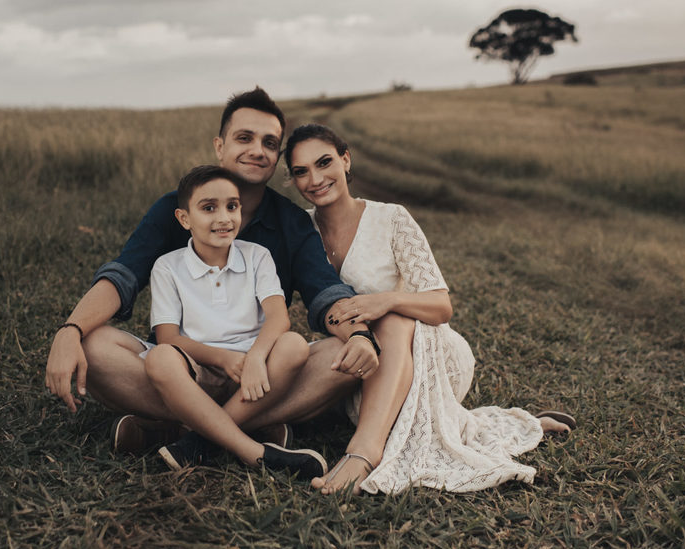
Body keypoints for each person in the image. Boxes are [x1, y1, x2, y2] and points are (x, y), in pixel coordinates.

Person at [44, 88, 388, 452]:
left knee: (342, 356)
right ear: (220, 146)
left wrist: (359, 336)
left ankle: (182, 432)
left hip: (260, 370)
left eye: (270, 143)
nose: (258, 150)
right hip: (184, 367)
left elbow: (326, 294)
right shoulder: (174, 209)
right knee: (94, 346)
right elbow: (122, 277)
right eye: (244, 138)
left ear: (276, 158)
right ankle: (253, 426)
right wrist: (70, 330)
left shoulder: (290, 222)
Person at [284, 123, 574, 495]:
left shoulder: (392, 218)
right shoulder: (301, 229)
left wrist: (388, 300)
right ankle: (497, 424)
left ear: (346, 160)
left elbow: (441, 306)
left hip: (424, 351)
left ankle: (364, 452)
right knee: (320, 367)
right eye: (301, 171)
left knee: (393, 319)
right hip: (358, 363)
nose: (315, 179)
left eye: (324, 163)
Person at [142, 165, 328, 479]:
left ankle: (197, 440)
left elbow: (278, 317)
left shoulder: (257, 255)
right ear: (184, 218)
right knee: (159, 359)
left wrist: (254, 357)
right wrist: (224, 358)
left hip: (255, 376)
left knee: (295, 346)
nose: (224, 218)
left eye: (232, 206)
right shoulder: (167, 267)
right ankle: (254, 451)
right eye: (208, 208)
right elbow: (168, 338)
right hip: (197, 373)